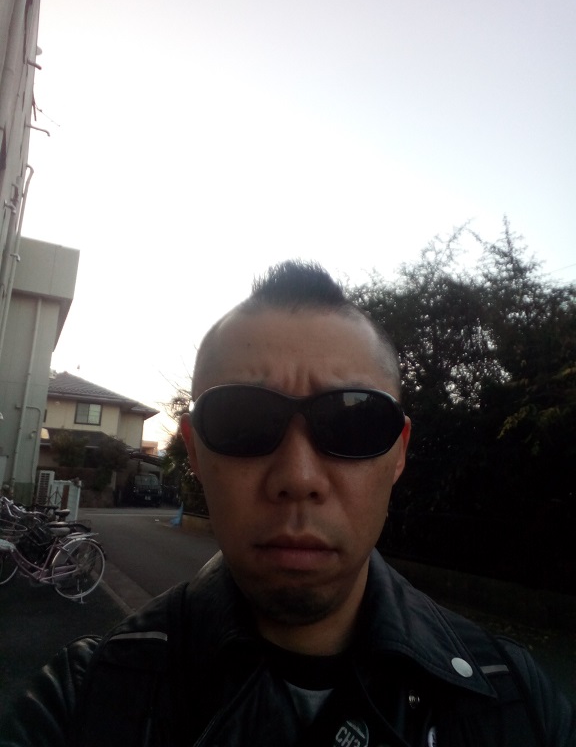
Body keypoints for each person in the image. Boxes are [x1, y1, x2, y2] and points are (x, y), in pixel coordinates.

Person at [0, 260, 574, 747]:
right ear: (194, 452)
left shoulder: (515, 703)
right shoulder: (84, 701)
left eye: (353, 424)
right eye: (243, 421)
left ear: (399, 454)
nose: (298, 478)